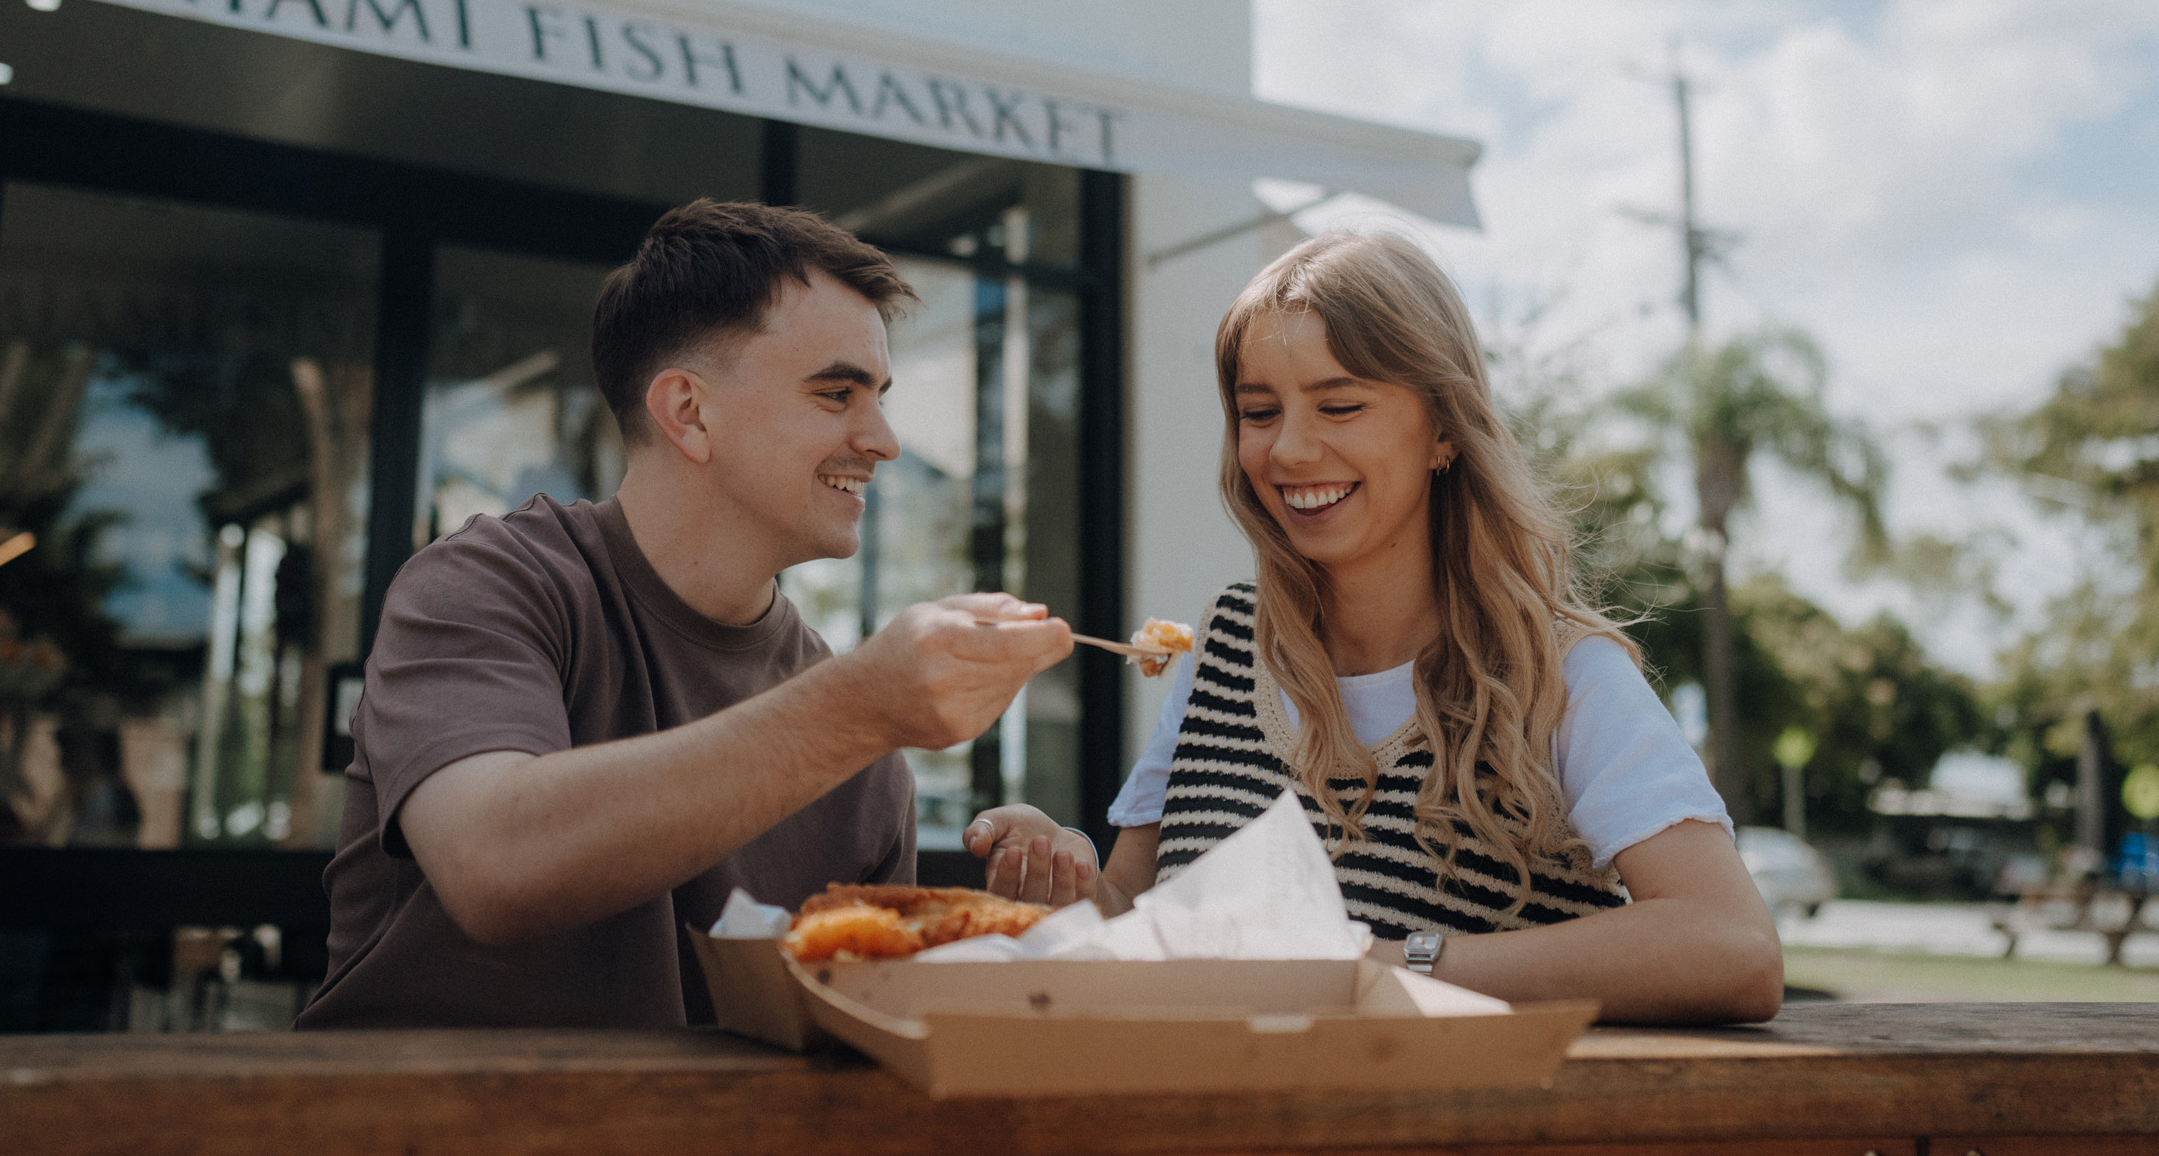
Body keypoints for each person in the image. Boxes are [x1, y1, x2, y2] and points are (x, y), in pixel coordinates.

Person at [965, 231, 1780, 1025]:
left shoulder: (1562, 674)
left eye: (1341, 404)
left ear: (1444, 429)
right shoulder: (1222, 649)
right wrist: (1065, 877)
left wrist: (1380, 964)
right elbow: (1139, 926)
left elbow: (1734, 945)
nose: (1288, 450)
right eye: (1258, 411)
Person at [299, 200, 1072, 1029]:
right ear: (688, 412)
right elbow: (494, 864)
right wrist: (858, 710)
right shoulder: (489, 582)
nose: (882, 438)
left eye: (877, 395)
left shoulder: (861, 738)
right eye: (837, 392)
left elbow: (854, 1031)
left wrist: (1027, 924)